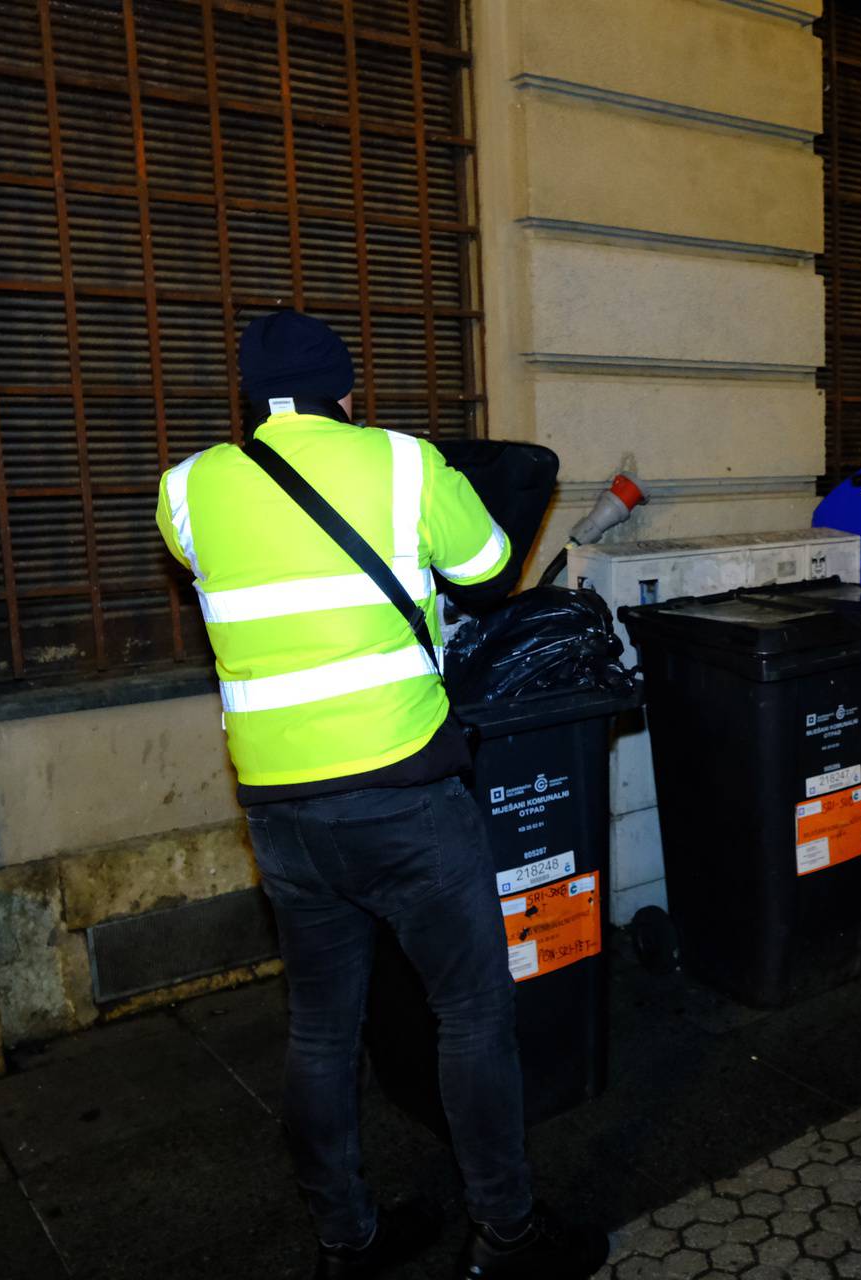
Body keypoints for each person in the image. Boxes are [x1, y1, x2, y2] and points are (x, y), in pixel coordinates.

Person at [155, 310, 609, 1279]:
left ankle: (347, 1239)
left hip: (280, 811)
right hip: (404, 794)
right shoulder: (403, 465)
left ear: (250, 395)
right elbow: (489, 572)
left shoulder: (187, 487)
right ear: (348, 390)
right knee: (473, 1015)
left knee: (320, 1027)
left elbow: (230, 576)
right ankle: (506, 1233)